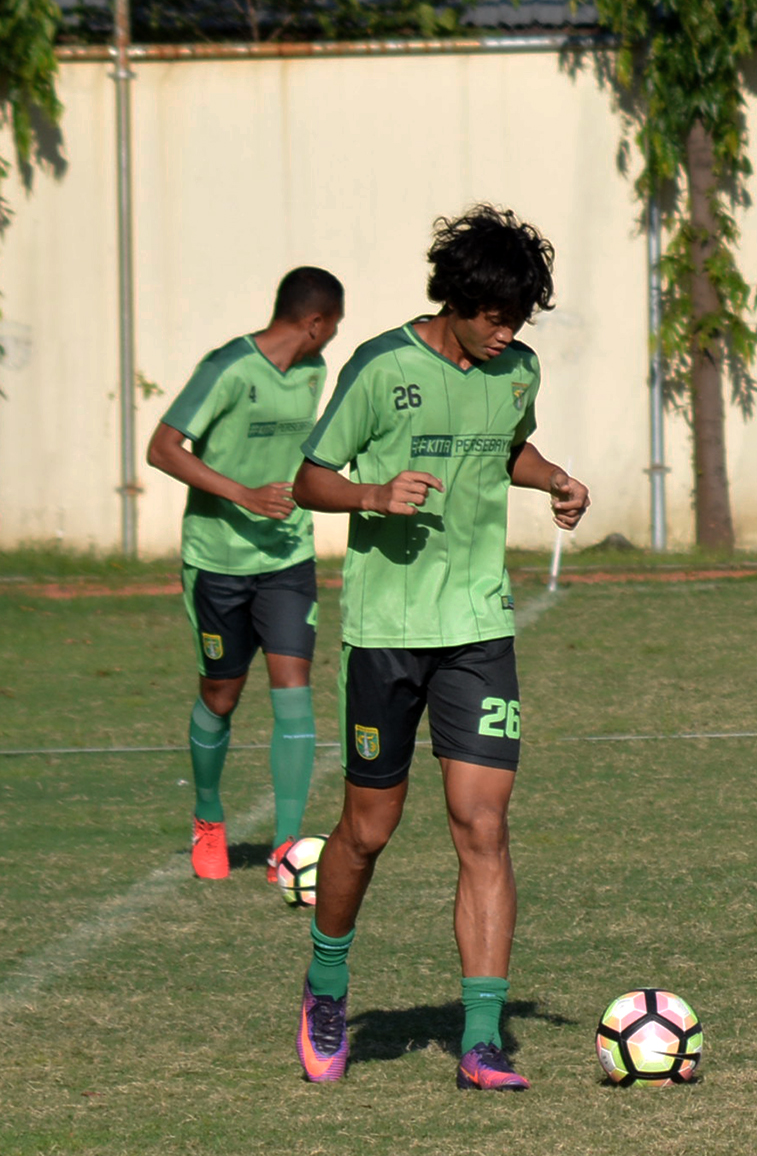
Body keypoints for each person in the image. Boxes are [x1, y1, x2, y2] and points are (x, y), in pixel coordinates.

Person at [290, 206, 589, 1090]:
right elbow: (310, 477)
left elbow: (504, 450)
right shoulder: (382, 367)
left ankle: (483, 1037)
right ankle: (328, 985)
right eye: (494, 317)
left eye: (518, 320)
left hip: (478, 630)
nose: (507, 334)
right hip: (386, 636)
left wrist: (556, 480)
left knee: (483, 827)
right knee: (368, 829)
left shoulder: (516, 369)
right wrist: (375, 494)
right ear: (455, 302)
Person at [147, 267, 343, 882]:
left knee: (294, 692)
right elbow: (163, 448)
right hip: (218, 561)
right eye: (333, 326)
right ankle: (208, 818)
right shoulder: (227, 367)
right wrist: (244, 495)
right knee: (220, 694)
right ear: (314, 323)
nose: (333, 338)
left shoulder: (314, 374)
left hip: (286, 558)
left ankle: (286, 848)